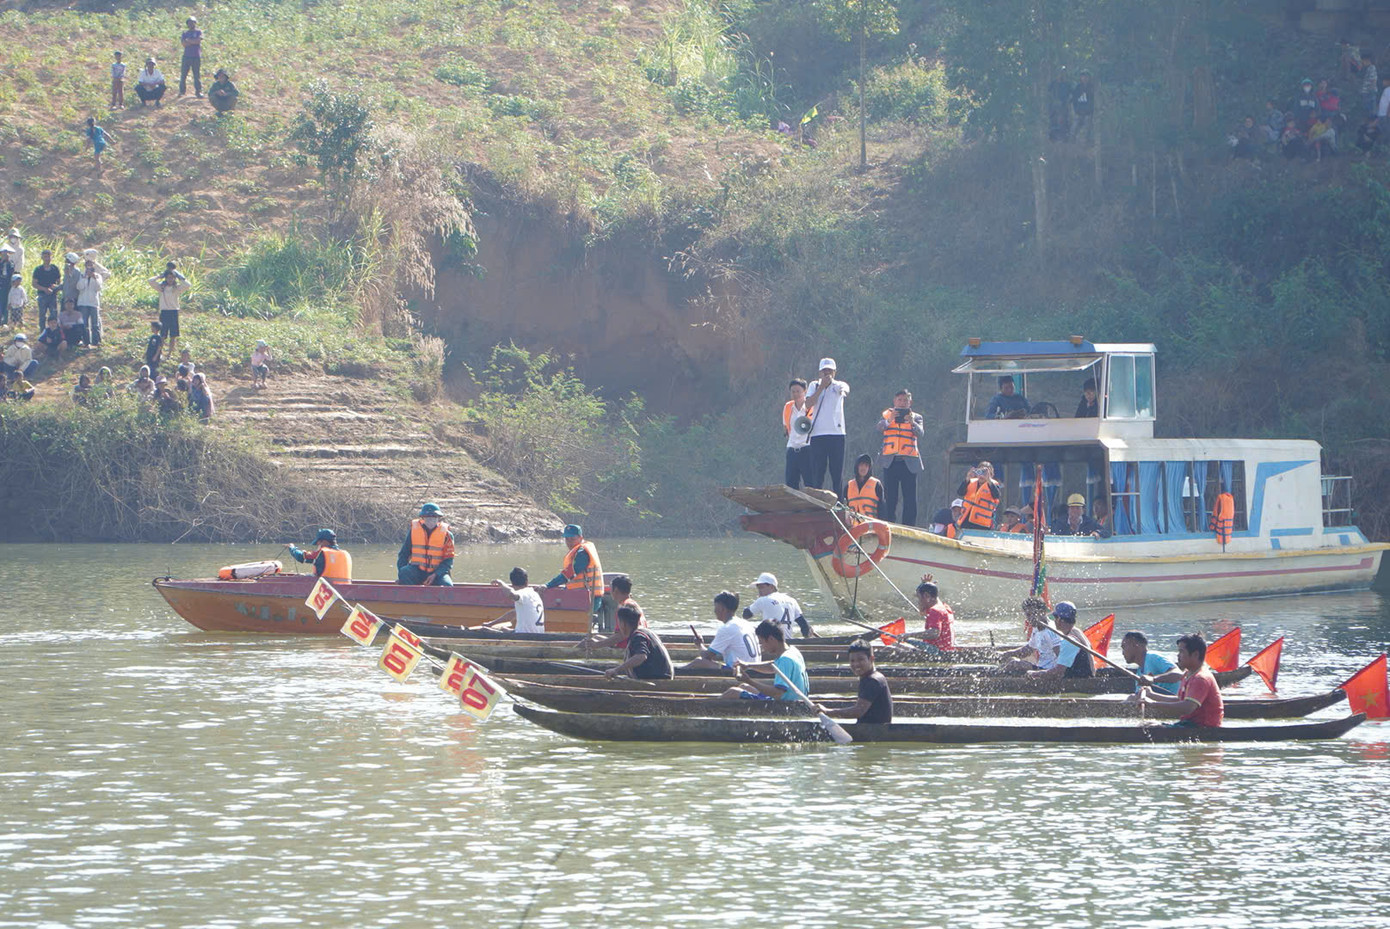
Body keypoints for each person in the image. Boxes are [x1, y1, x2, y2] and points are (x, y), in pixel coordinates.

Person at [1130, 633, 1224, 727]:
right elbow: (1179, 699)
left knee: (1152, 727)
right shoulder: (1187, 674)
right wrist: (1152, 695)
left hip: (1202, 727)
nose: (1178, 656)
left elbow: (1187, 707)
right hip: (1188, 724)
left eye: (1182, 652)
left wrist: (1153, 704)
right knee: (1148, 725)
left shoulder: (1200, 678)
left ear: (1195, 654)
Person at [720, 620, 809, 702]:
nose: (762, 648)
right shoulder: (792, 651)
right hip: (795, 699)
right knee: (743, 687)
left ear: (771, 639)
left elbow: (777, 693)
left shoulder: (785, 660)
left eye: (762, 643)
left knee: (733, 692)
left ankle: (709, 710)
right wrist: (748, 665)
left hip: (785, 705)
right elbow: (773, 666)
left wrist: (749, 680)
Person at [545, 523, 607, 630]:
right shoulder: (580, 550)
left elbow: (570, 573)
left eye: (572, 539)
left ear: (580, 538)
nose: (569, 542)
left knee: (576, 626)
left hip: (589, 598)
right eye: (567, 539)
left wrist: (548, 585)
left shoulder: (582, 552)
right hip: (581, 596)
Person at [803, 357, 849, 498]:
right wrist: (822, 387)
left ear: (835, 372)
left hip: (836, 434)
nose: (827, 373)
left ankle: (840, 502)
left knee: (836, 472)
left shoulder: (839, 385)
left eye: (830, 370)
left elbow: (845, 390)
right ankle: (817, 503)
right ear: (820, 372)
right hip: (818, 434)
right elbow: (808, 404)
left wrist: (834, 387)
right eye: (824, 370)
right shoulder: (814, 385)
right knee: (818, 472)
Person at [877, 389, 924, 525]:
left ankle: (909, 526)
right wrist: (890, 420)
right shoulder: (886, 415)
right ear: (894, 401)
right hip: (890, 461)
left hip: (908, 462)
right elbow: (879, 428)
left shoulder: (917, 417)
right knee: (890, 496)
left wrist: (911, 423)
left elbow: (920, 433)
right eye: (900, 400)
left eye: (905, 400)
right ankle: (889, 523)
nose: (902, 403)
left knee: (910, 498)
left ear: (910, 402)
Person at [816, 641, 893, 724]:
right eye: (852, 661)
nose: (856, 664)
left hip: (874, 734)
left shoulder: (873, 681)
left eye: (860, 660)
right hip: (869, 730)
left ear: (871, 659)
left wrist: (827, 712)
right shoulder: (870, 677)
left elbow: (858, 711)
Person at [682, 591, 760, 670]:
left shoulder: (727, 628)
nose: (714, 611)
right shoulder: (747, 624)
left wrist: (699, 645)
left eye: (716, 607)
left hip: (741, 671)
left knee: (699, 662)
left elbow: (707, 656)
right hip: (754, 669)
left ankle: (676, 672)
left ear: (722, 608)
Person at [1025, 602, 1094, 680]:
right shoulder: (1078, 632)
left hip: (1079, 680)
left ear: (1060, 620)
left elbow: (1058, 673)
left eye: (1054, 618)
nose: (1053, 621)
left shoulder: (1069, 640)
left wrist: (1035, 673)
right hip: (1086, 675)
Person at [603, 605, 674, 680]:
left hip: (657, 679)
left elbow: (641, 656)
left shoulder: (638, 636)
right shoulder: (645, 631)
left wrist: (616, 670)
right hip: (663, 675)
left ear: (623, 624)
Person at [998, 597, 1063, 672]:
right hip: (1040, 667)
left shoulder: (1051, 631)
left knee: (1015, 664)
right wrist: (1006, 654)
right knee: (1010, 659)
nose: (1029, 618)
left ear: (1042, 612)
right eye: (1027, 615)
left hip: (1048, 670)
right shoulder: (1037, 628)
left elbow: (1061, 658)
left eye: (1032, 614)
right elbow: (1028, 649)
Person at [397, 503, 455, 586]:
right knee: (404, 572)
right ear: (423, 518)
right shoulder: (413, 532)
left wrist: (436, 574)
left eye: (434, 517)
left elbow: (448, 561)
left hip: (437, 573)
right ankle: (413, 597)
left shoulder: (447, 535)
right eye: (428, 517)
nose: (431, 520)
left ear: (438, 518)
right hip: (417, 571)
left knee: (447, 585)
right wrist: (401, 576)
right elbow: (403, 554)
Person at [744, 571, 813, 639]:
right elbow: (805, 627)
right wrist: (807, 636)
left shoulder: (763, 600)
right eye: (758, 588)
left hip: (771, 644)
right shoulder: (792, 600)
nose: (759, 591)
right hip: (788, 643)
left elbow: (746, 615)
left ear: (771, 587)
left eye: (762, 587)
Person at [1120, 631, 1180, 696]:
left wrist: (1153, 679)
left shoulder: (1152, 658)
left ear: (1135, 645)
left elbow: (1178, 674)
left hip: (1172, 701)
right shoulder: (1139, 672)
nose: (1123, 653)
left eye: (1124, 647)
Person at [490, 568, 545, 634]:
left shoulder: (523, 593)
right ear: (527, 581)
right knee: (504, 629)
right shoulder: (534, 594)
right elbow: (513, 613)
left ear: (512, 584)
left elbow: (512, 595)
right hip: (539, 634)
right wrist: (491, 623)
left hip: (524, 637)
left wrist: (501, 583)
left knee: (485, 631)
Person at [151, 263, 189, 356]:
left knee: (173, 336)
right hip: (164, 312)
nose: (170, 280)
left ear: (174, 278)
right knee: (163, 335)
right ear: (166, 278)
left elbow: (188, 284)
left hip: (174, 312)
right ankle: (159, 352)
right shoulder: (161, 288)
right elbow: (150, 281)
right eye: (168, 278)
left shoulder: (176, 288)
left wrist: (179, 275)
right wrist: (160, 276)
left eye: (172, 278)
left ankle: (169, 354)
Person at [782, 377, 813, 490]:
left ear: (805, 391)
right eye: (793, 391)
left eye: (798, 391)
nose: (795, 394)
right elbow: (786, 426)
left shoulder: (811, 406)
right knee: (791, 483)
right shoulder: (788, 407)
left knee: (810, 483)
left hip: (807, 448)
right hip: (792, 449)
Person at [288, 528, 352, 581]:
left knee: (298, 577)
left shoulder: (322, 553)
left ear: (324, 541)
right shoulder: (345, 554)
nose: (318, 546)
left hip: (326, 589)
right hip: (345, 589)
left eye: (318, 543)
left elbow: (300, 556)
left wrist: (292, 548)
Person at [958, 461, 1003, 530]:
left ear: (991, 474)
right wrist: (967, 478)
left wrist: (988, 480)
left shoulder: (993, 485)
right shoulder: (971, 482)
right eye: (980, 472)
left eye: (985, 473)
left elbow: (997, 495)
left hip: (983, 524)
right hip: (966, 521)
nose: (982, 475)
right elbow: (960, 492)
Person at [915, 578, 954, 651]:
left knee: (891, 648)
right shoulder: (945, 607)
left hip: (936, 652)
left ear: (926, 596)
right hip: (946, 649)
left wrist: (909, 635)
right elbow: (922, 611)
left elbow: (934, 633)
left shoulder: (935, 611)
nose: (918, 601)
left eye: (919, 597)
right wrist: (926, 586)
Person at [75, 254, 106, 347]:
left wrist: (93, 277)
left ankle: (96, 342)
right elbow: (79, 287)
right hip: (83, 302)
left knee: (95, 324)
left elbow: (98, 288)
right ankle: (86, 342)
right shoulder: (81, 275)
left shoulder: (98, 276)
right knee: (84, 324)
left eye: (91, 265)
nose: (89, 267)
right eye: (87, 265)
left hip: (93, 303)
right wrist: (85, 278)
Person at [845, 454, 883, 519]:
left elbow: (882, 510)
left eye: (866, 466)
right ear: (857, 467)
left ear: (869, 468)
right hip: (852, 527)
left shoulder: (876, 484)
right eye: (861, 465)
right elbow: (844, 508)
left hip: (871, 526)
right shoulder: (849, 486)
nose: (864, 468)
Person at [31, 250, 60, 329]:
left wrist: (55, 287)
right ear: (42, 257)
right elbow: (34, 283)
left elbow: (59, 282)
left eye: (49, 256)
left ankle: (54, 332)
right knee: (42, 316)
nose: (47, 258)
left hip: (53, 295)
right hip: (42, 295)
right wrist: (44, 289)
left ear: (52, 257)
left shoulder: (55, 268)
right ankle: (42, 333)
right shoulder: (38, 269)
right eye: (45, 256)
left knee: (54, 315)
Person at [179, 17, 203, 98]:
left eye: (192, 22)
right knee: (183, 75)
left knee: (196, 75)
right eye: (189, 23)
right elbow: (184, 44)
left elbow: (198, 41)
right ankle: (182, 91)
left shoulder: (198, 32)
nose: (191, 24)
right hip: (186, 56)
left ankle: (198, 91)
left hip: (196, 56)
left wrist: (189, 41)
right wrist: (192, 41)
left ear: (195, 23)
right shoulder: (185, 33)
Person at [1071, 69, 1094, 142]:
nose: (1085, 78)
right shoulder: (1078, 87)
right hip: (1079, 111)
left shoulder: (1092, 87)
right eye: (1083, 77)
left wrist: (1090, 109)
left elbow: (1093, 100)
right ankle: (1072, 141)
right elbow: (1074, 100)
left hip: (1088, 112)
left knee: (1088, 128)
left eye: (1086, 77)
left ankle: (1087, 142)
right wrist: (1076, 110)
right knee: (1074, 127)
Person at [1363, 53, 1380, 117]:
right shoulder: (1368, 68)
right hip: (1367, 92)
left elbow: (1373, 80)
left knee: (1370, 110)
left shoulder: (1372, 68)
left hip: (1369, 92)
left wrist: (1371, 90)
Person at [0, 245, 13, 325]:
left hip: (8, 285)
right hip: (1, 285)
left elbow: (11, 271)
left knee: (6, 302)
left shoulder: (10, 263)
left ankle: (5, 320)